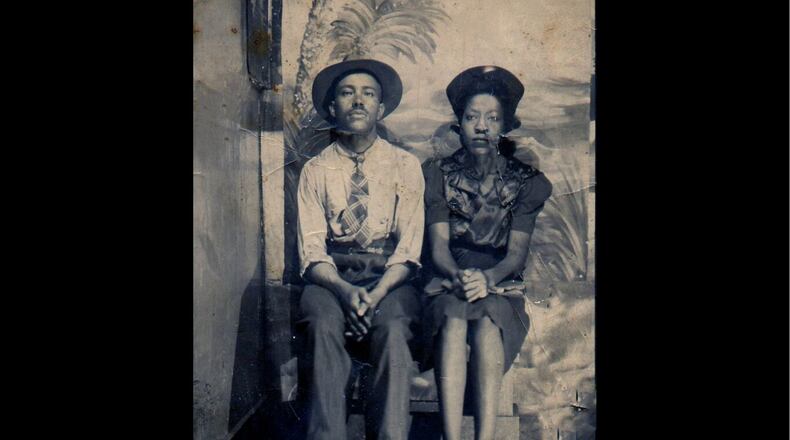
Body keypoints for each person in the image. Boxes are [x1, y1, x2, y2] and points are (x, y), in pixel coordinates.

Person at [420, 65, 553, 440]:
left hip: (500, 283)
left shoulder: (525, 182)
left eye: (492, 119)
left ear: (504, 126)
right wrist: (459, 277)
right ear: (459, 123)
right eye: (472, 117)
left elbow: (515, 256)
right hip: (449, 279)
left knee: (488, 326)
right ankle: (451, 436)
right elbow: (439, 246)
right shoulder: (438, 174)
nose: (481, 126)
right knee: (453, 318)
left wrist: (487, 279)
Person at [296, 58, 425, 440]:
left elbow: (409, 248)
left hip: (390, 279)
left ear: (380, 109)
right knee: (321, 325)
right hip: (331, 280)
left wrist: (377, 292)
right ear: (332, 107)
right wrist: (345, 291)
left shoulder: (405, 165)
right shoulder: (315, 170)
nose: (358, 101)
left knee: (395, 330)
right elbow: (312, 250)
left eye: (368, 94)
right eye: (347, 93)